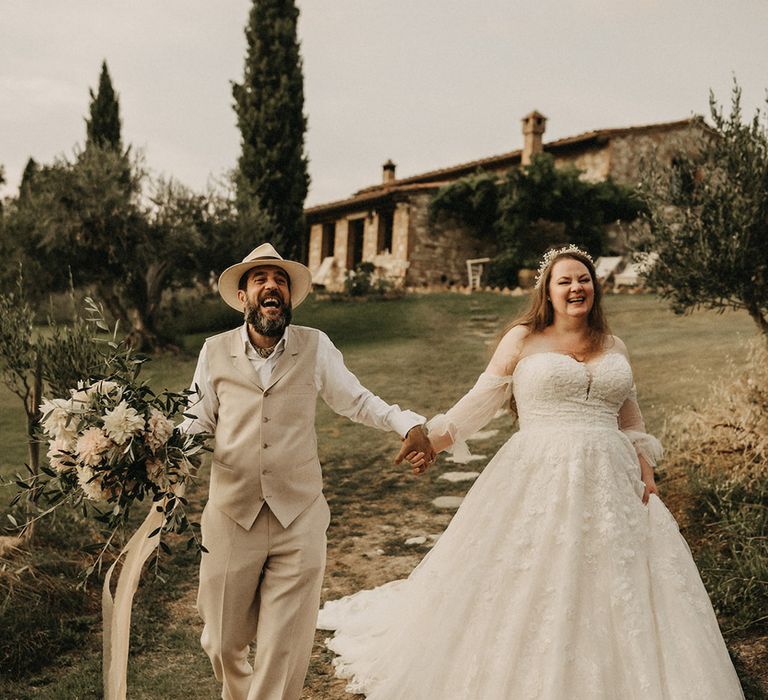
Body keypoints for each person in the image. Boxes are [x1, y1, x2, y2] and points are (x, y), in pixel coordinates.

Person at [318, 245, 745, 699]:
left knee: (618, 581)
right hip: (540, 472)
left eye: (584, 279)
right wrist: (432, 437)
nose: (576, 287)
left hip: (612, 479)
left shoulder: (614, 346)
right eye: (565, 281)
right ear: (548, 290)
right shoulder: (522, 339)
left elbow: (630, 417)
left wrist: (647, 471)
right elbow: (480, 401)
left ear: (594, 289)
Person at [182, 242, 434, 700]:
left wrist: (407, 422)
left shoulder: (314, 345)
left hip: (298, 516)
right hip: (230, 515)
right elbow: (196, 422)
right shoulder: (214, 352)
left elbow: (355, 400)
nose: (271, 286)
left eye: (279, 280)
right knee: (221, 642)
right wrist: (159, 457)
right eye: (260, 279)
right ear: (243, 297)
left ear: (289, 297)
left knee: (283, 653)